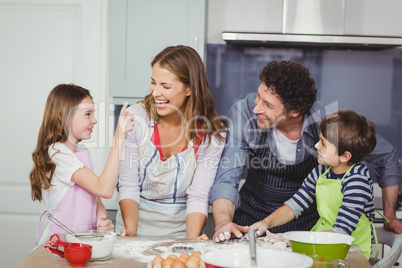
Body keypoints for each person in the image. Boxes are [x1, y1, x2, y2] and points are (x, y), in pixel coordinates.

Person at [209, 61, 402, 243]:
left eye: (268, 105)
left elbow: (387, 155)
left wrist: (390, 215)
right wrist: (223, 222)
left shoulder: (325, 120)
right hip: (251, 220)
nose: (256, 108)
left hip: (307, 229)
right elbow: (227, 178)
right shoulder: (243, 112)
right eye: (258, 96)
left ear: (295, 111)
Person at [116, 45, 226, 239]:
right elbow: (128, 185)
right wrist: (131, 235)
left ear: (189, 88)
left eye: (165, 86)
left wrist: (191, 244)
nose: (155, 92)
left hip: (179, 237)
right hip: (130, 227)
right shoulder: (136, 119)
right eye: (153, 82)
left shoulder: (211, 136)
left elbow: (198, 196)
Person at [251, 110, 377, 259]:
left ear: (344, 156)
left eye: (323, 143)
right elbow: (295, 205)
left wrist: (293, 240)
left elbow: (341, 232)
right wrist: (266, 222)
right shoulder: (321, 171)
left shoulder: (357, 181)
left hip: (351, 254)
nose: (317, 146)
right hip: (322, 244)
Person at [29, 84, 134, 246]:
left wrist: (100, 219)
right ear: (66, 116)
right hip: (62, 243)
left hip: (85, 240)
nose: (94, 120)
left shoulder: (81, 150)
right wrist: (119, 139)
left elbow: (96, 196)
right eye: (87, 114)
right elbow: (104, 189)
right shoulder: (57, 153)